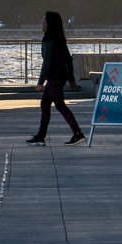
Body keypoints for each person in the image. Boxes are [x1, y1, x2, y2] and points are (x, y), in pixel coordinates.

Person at [26, 11, 84, 144]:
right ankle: (41, 136)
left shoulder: (48, 39)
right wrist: (71, 80)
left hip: (54, 78)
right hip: (59, 76)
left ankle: (78, 133)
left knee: (60, 105)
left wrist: (40, 82)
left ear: (49, 24)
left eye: (44, 20)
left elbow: (47, 62)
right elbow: (68, 60)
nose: (42, 23)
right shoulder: (59, 39)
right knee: (45, 104)